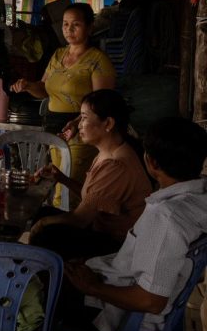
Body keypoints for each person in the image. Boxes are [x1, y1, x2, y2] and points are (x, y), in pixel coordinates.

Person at [60, 116, 207, 331]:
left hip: (119, 315)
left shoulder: (167, 217)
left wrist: (92, 287)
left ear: (151, 162)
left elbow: (151, 300)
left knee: (31, 289)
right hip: (118, 286)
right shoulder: (197, 198)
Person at [11, 2, 116, 208]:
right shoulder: (58, 55)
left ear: (89, 27)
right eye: (65, 24)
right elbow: (44, 89)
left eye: (75, 24)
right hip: (54, 130)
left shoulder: (97, 61)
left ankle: (67, 234)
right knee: (58, 185)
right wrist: (28, 86)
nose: (69, 29)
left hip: (82, 132)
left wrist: (77, 123)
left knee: (69, 192)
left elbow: (103, 102)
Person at [29, 89, 152, 260]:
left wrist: (41, 225)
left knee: (46, 231)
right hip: (99, 229)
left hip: (118, 245)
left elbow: (80, 219)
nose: (79, 125)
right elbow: (93, 198)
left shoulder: (116, 165)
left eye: (84, 118)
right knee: (43, 213)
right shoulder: (108, 152)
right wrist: (62, 179)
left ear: (108, 123)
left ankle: (55, 281)